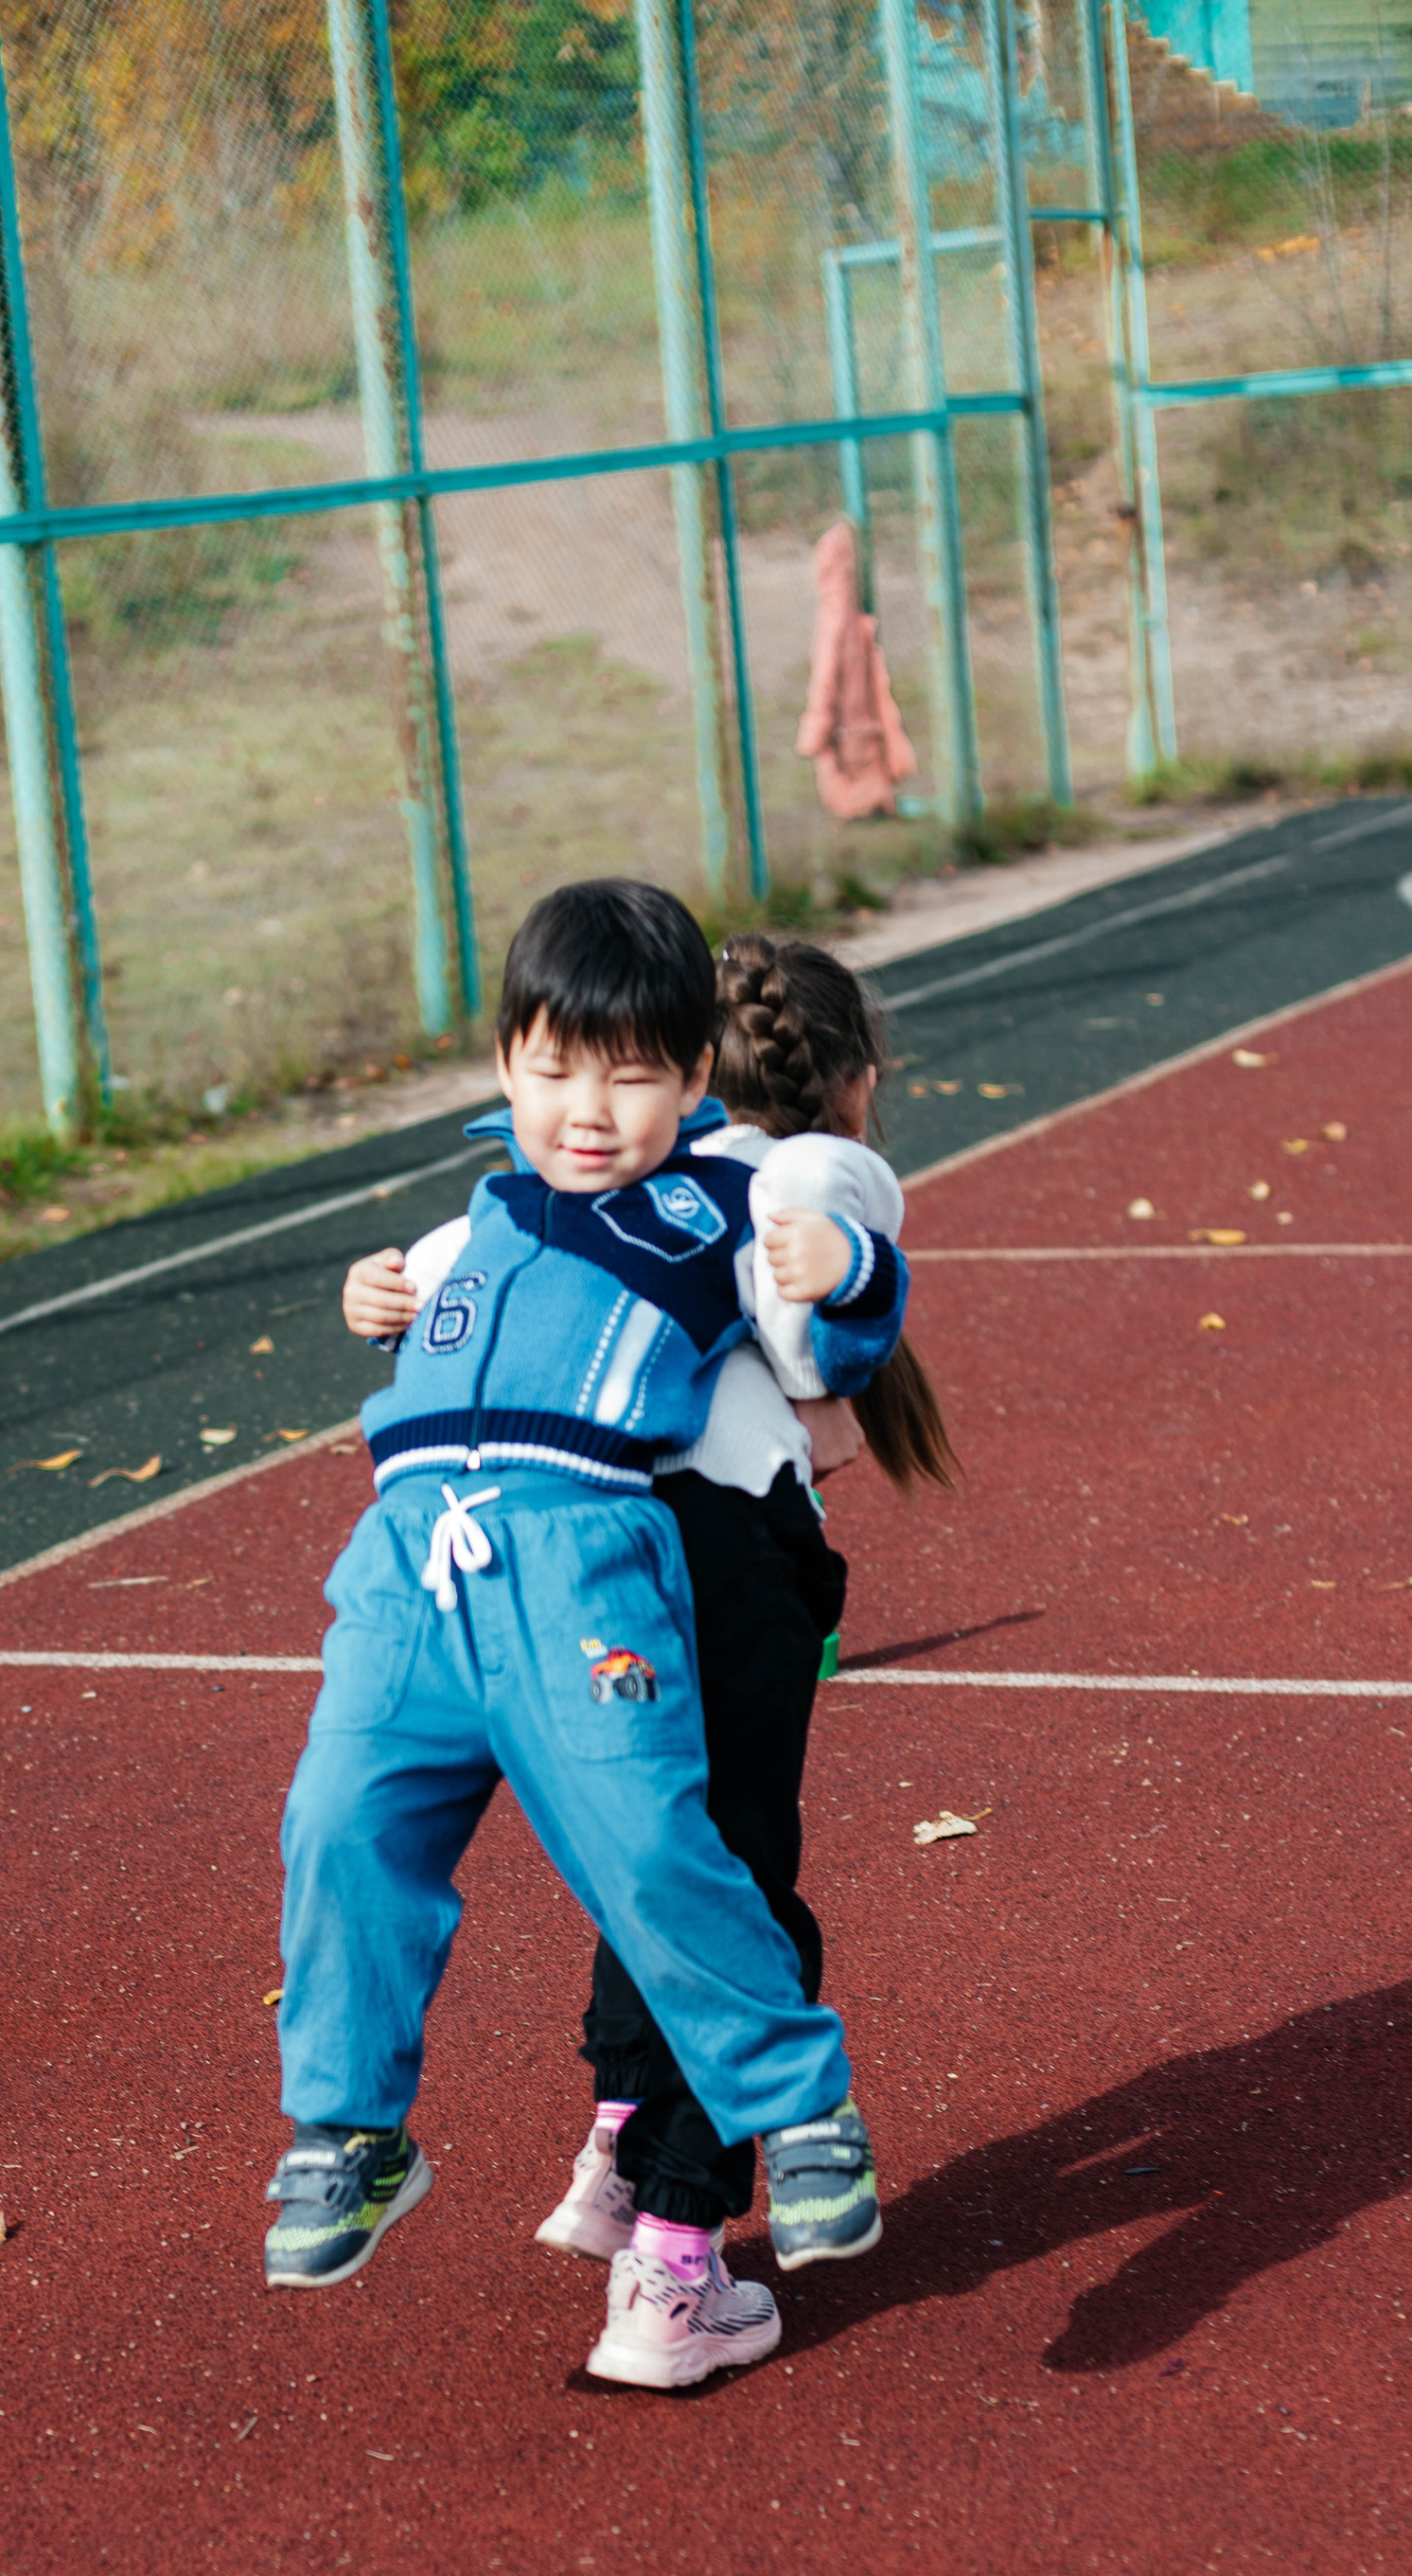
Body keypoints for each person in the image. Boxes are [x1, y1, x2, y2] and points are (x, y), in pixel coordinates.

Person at [263, 879, 907, 2389]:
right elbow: (419, 1301)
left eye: (631, 1077)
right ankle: (351, 2128)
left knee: (653, 1847)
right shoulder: (481, 1215)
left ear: (693, 1081)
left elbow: (831, 1338)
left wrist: (852, 1277)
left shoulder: (718, 1203)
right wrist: (372, 1294)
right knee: (337, 1821)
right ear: (504, 1064)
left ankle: (798, 2106)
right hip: (408, 1570)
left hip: (578, 1561)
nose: (589, 1111)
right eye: (553, 1070)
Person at [526, 929, 958, 2279]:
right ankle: (679, 2242)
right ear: (856, 1081)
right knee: (738, 1881)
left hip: (580, 1552)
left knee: (653, 1855)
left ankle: (620, 2138)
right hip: (725, 1559)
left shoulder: (610, 1187)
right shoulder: (809, 1180)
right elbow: (816, 1364)